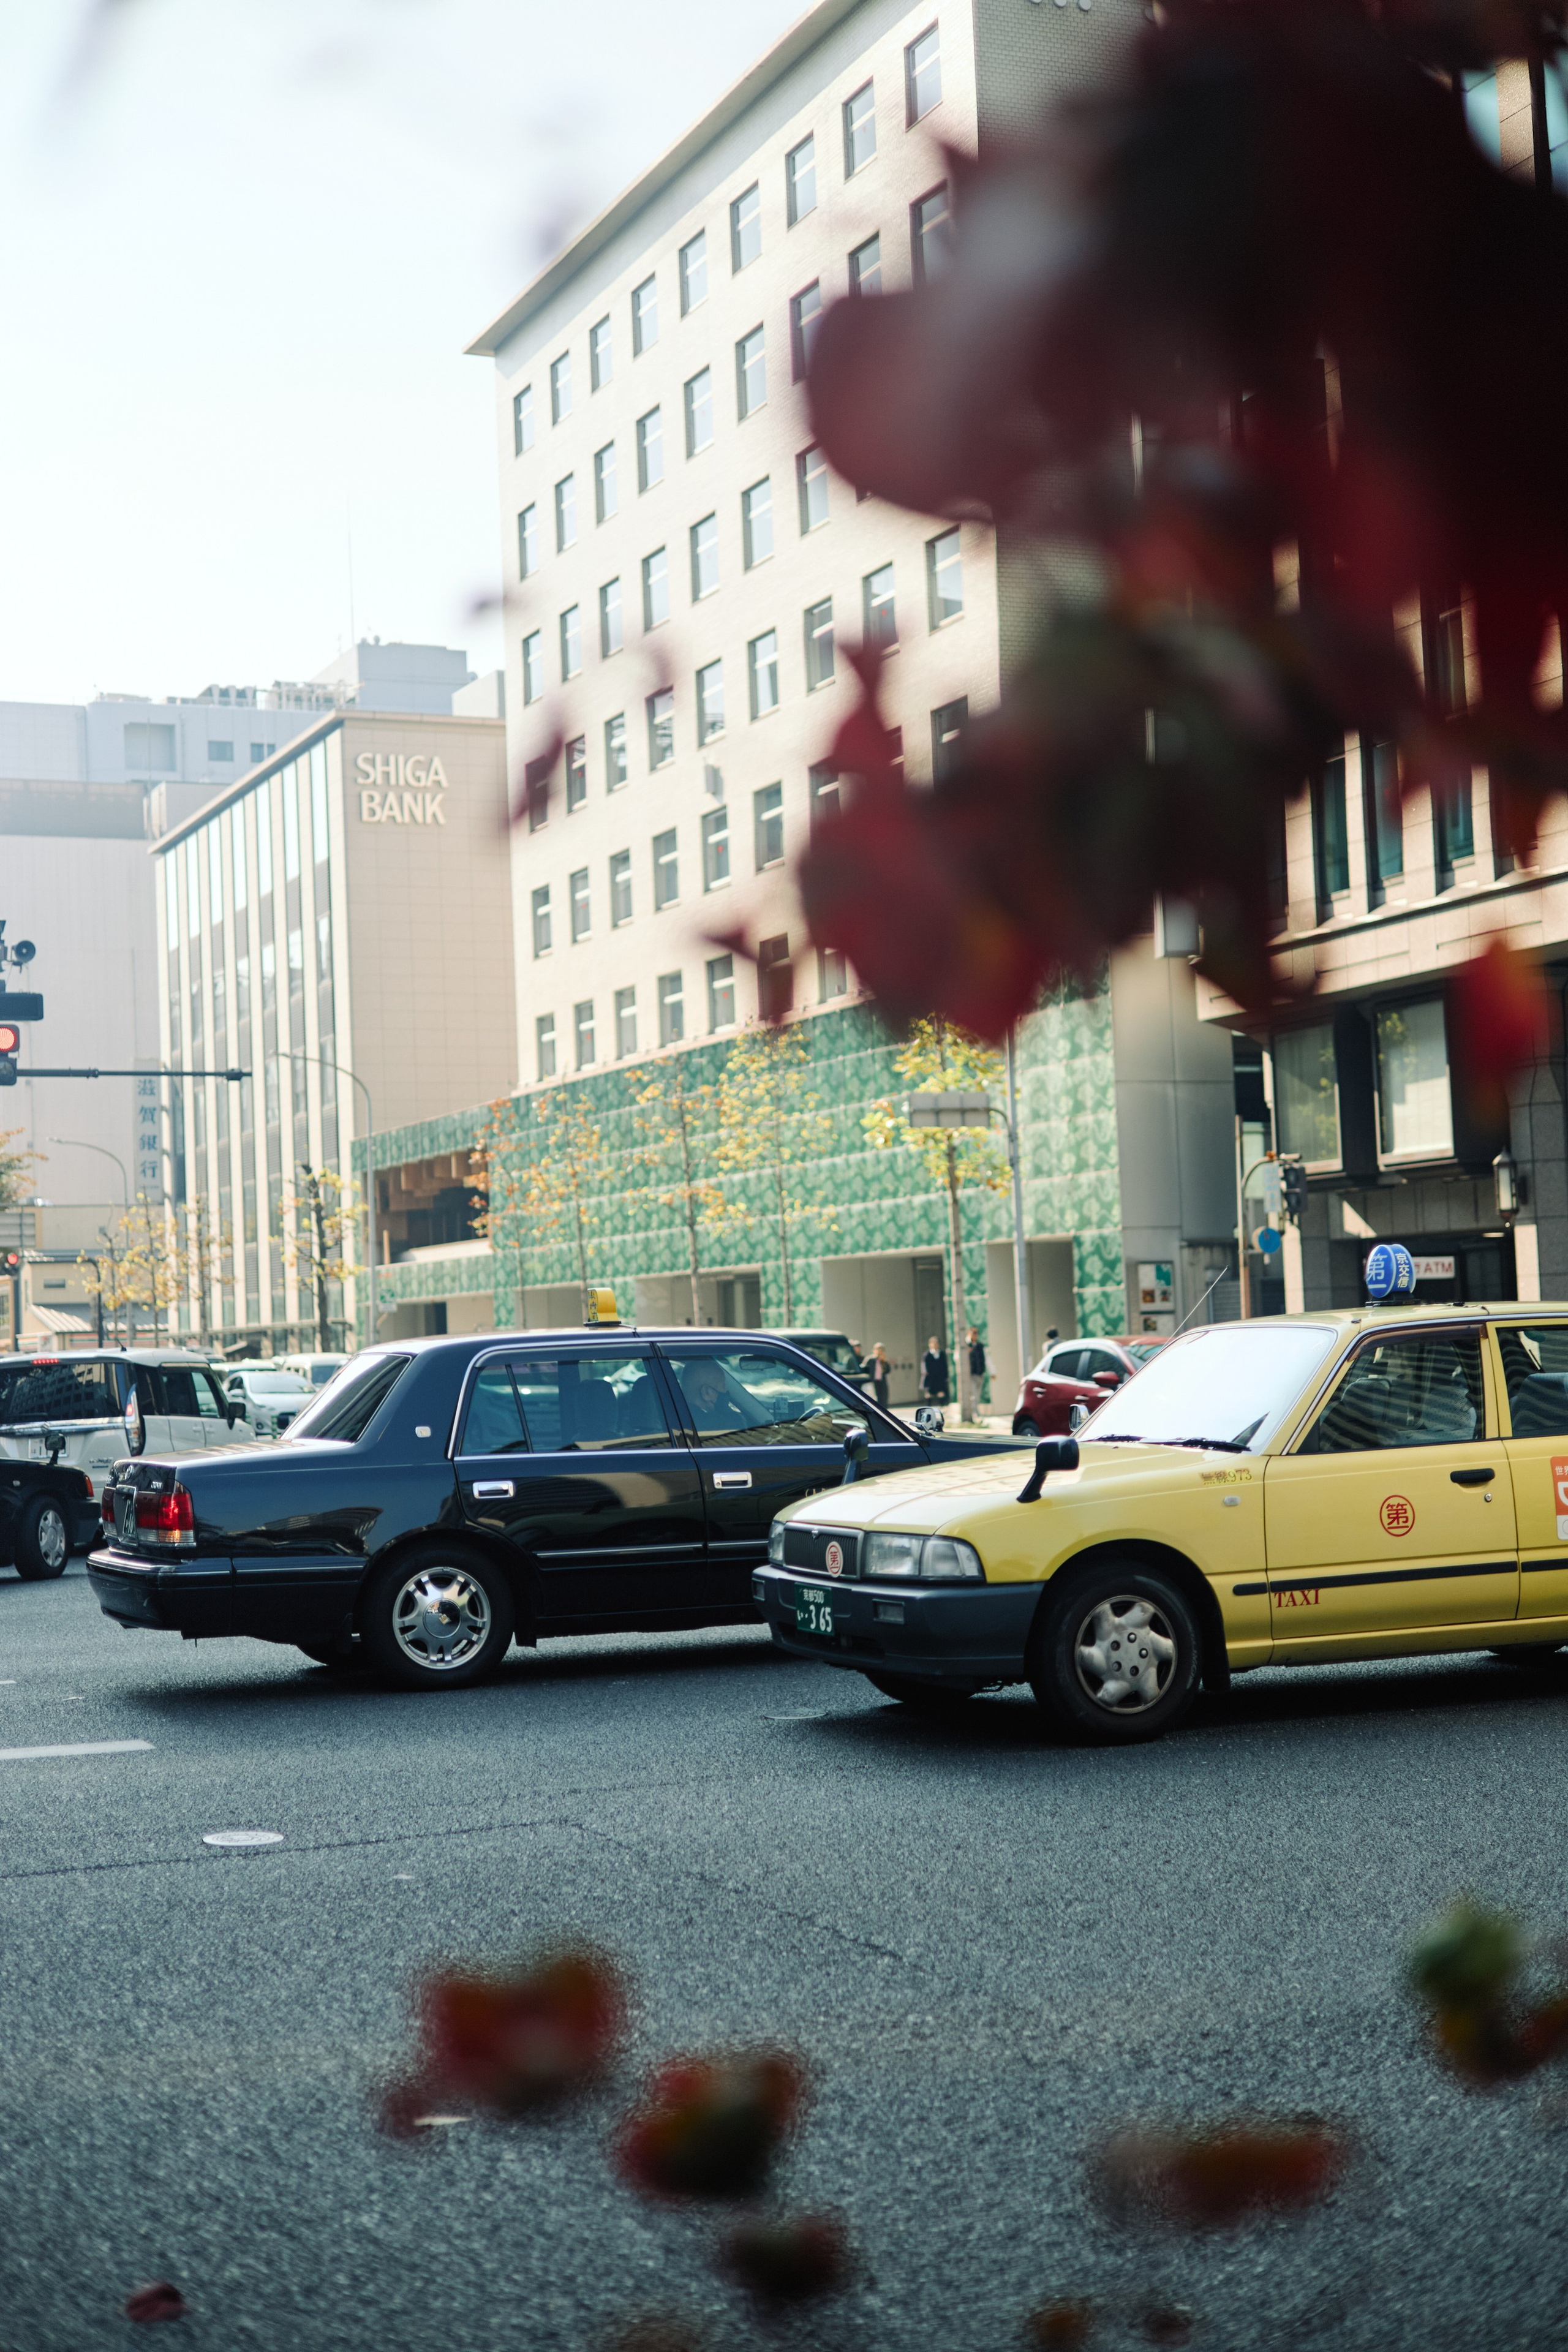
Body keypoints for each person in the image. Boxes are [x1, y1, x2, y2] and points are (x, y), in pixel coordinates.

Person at [921, 1335, 949, 1406]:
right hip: (930, 1377)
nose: (935, 1345)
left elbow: (944, 1365)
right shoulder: (927, 1354)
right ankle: (928, 1408)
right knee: (928, 1394)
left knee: (941, 1392)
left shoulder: (941, 1354)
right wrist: (925, 1373)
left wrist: (946, 1376)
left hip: (940, 1377)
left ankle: (942, 1406)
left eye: (936, 1343)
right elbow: (923, 1365)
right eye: (933, 1343)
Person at [862, 1342, 891, 1411]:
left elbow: (888, 1371)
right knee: (874, 1397)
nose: (879, 1352)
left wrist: (884, 1361)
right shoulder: (870, 1359)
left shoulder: (883, 1360)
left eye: (881, 1350)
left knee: (883, 1397)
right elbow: (863, 1368)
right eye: (878, 1350)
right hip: (873, 1381)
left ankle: (884, 1411)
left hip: (881, 1381)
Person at [966, 1325, 988, 1409]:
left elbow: (987, 1359)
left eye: (976, 1333)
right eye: (973, 1333)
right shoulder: (966, 1346)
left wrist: (993, 1372)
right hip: (971, 1374)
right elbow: (957, 1358)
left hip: (980, 1373)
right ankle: (975, 1413)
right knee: (973, 1394)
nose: (975, 1335)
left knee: (977, 1395)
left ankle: (975, 1410)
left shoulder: (980, 1346)